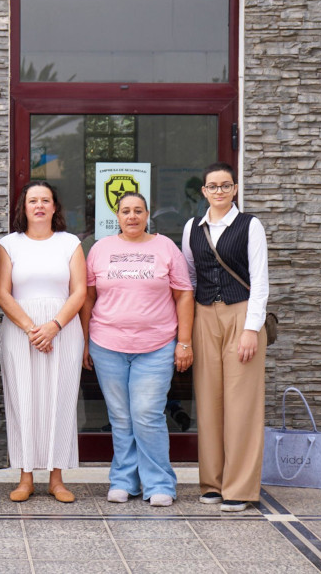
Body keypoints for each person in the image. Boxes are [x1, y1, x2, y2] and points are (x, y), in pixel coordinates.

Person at [81, 191, 195, 507]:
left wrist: (184, 342)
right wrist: (84, 341)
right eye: (126, 211)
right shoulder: (100, 249)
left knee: (146, 414)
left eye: (138, 210)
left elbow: (184, 295)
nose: (132, 216)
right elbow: (88, 298)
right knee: (120, 417)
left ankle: (159, 483)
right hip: (107, 345)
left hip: (156, 345)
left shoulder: (166, 247)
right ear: (117, 216)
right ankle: (124, 481)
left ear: (147, 215)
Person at [181, 162, 269, 512]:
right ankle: (212, 483)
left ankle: (240, 488)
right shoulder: (192, 227)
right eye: (212, 186)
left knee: (242, 404)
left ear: (235, 189)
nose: (219, 191)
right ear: (204, 191)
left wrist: (251, 328)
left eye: (225, 185)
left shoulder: (250, 225)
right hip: (204, 315)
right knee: (209, 402)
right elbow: (189, 278)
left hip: (241, 313)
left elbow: (260, 281)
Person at [0, 181, 86, 503]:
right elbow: (2, 292)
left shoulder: (70, 243)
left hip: (63, 329)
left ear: (54, 207)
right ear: (24, 206)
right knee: (23, 400)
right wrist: (33, 328)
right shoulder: (9, 244)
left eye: (45, 200)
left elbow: (79, 291)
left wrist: (54, 326)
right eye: (33, 200)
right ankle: (25, 477)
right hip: (22, 331)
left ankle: (57, 479)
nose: (39, 206)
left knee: (61, 400)